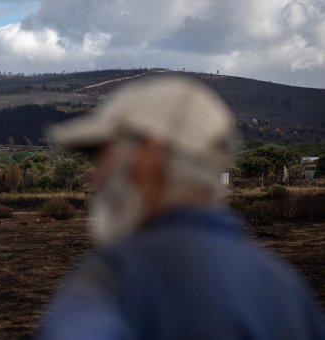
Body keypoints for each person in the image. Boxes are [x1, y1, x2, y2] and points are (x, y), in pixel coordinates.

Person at [37, 76, 325, 339]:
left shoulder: (116, 279)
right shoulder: (286, 289)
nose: (94, 176)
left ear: (149, 158)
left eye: (100, 157)